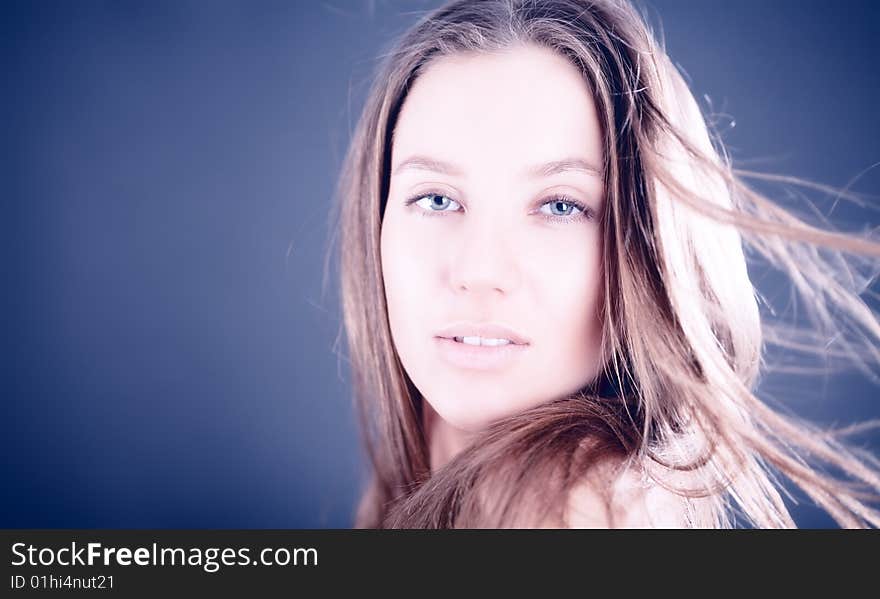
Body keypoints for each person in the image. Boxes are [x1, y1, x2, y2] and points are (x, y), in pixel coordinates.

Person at [331, 0, 880, 528]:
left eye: (561, 206)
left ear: (646, 249)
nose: (479, 270)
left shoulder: (567, 509)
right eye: (436, 199)